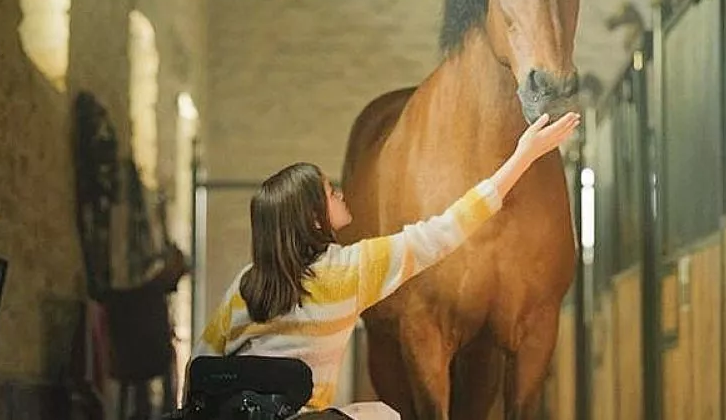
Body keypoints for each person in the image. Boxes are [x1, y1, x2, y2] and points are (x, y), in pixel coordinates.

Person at [192, 112, 581, 419]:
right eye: (330, 192)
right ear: (314, 219)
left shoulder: (247, 283)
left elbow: (201, 362)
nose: (341, 194)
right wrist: (523, 156)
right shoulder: (348, 272)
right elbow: (446, 230)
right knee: (382, 415)